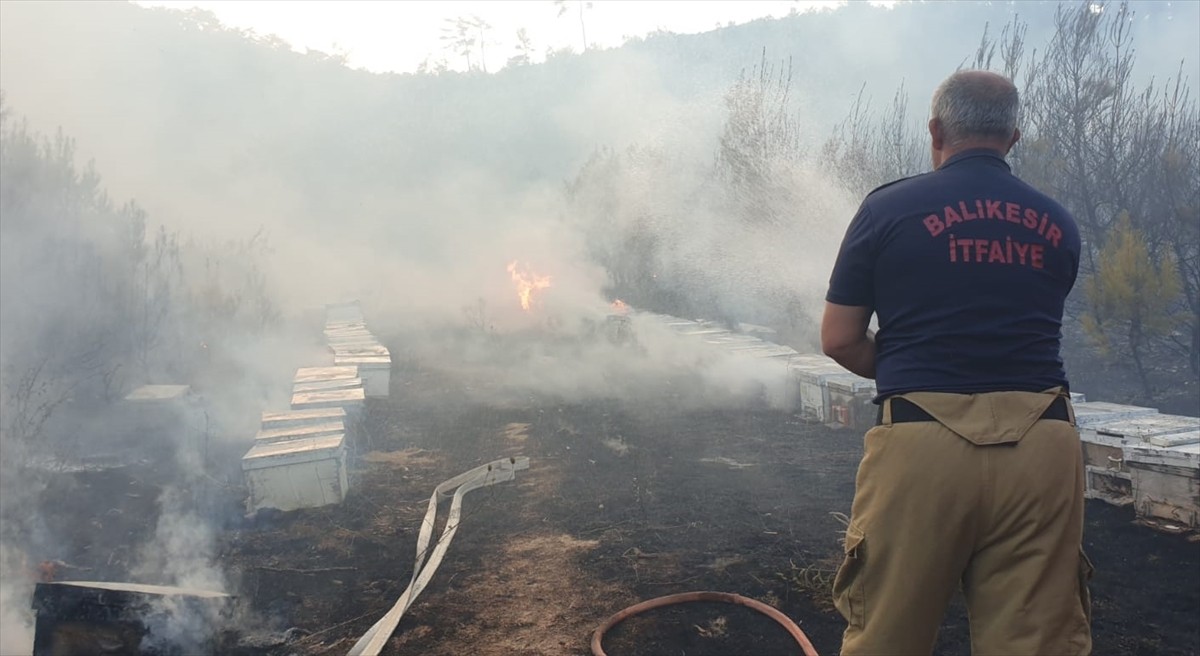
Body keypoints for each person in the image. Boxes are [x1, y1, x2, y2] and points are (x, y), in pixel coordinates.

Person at [820, 69, 1092, 655]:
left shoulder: (887, 209)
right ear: (1013, 137)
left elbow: (840, 338)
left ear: (936, 130)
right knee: (1037, 641)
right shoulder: (1059, 223)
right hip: (1044, 444)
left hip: (922, 444)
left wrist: (912, 367)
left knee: (888, 634)